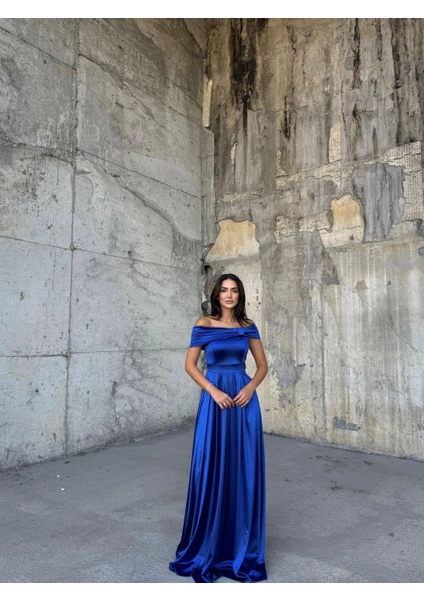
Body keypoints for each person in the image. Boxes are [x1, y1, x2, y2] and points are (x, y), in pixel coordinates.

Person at [169, 273, 268, 583]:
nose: (229, 295)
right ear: (216, 295)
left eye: (234, 290)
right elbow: (190, 365)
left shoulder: (247, 326)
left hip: (242, 400)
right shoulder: (204, 324)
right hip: (215, 400)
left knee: (242, 469)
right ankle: (207, 544)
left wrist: (250, 387)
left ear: (240, 295)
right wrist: (212, 390)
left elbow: (262, 366)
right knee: (210, 466)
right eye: (224, 290)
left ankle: (239, 546)